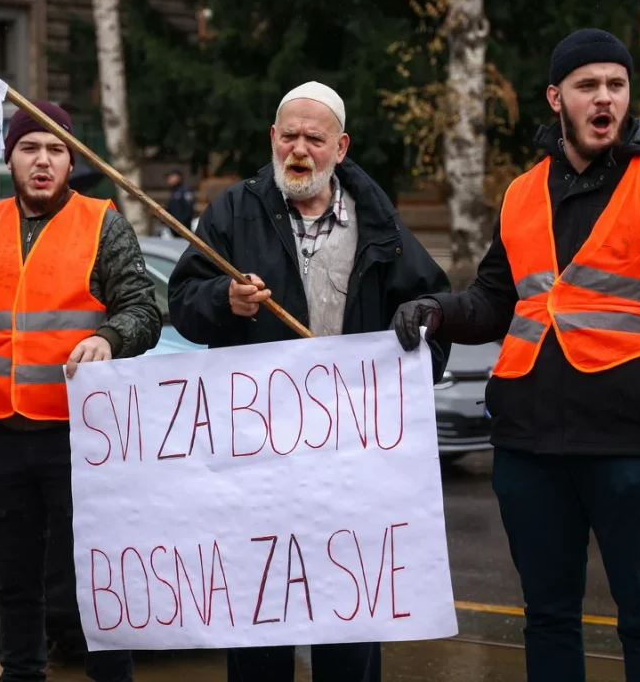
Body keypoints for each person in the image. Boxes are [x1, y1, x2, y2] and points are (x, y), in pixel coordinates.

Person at [391, 29, 640, 682]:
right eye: (587, 86)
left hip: (634, 441)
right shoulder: (522, 193)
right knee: (547, 616)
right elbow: (497, 299)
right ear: (557, 98)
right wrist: (436, 311)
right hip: (529, 444)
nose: (604, 97)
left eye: (616, 84)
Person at [168, 80, 452, 681]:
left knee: (347, 625)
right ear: (273, 138)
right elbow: (185, 303)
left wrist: (415, 335)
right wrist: (226, 298)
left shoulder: (378, 220)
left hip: (348, 466)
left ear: (340, 147)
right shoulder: (232, 211)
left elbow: (433, 306)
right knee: (260, 622)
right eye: (289, 135)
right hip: (258, 466)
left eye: (314, 139)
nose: (300, 149)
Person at [0, 101, 162, 682]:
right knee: (15, 583)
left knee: (91, 579)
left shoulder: (101, 222)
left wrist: (110, 337)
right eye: (31, 148)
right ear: (10, 158)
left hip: (78, 440)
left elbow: (143, 310)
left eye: (56, 150)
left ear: (71, 160)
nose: (43, 161)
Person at [159, 169, 195, 237]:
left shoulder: (185, 191)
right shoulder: (174, 191)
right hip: (173, 228)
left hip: (182, 229)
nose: (168, 179)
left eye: (171, 177)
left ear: (178, 177)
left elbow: (188, 210)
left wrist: (180, 225)